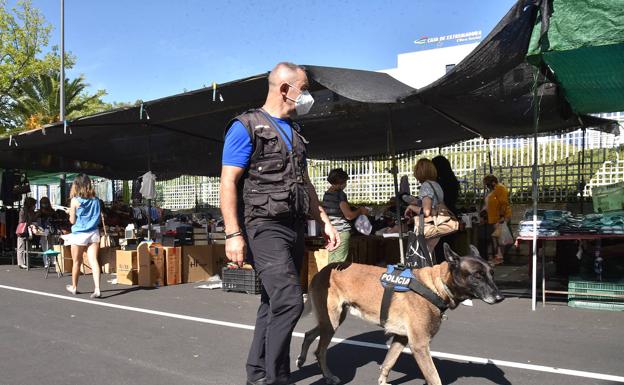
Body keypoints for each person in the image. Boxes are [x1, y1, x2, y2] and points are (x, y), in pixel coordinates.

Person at [220, 62, 339, 385]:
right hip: (263, 225)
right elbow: (228, 182)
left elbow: (305, 183)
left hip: (294, 226)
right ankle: (277, 378)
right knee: (289, 300)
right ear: (286, 89)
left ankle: (257, 374)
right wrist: (233, 234)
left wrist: (324, 220)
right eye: (304, 88)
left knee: (272, 302)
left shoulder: (295, 133)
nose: (308, 96)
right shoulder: (245, 126)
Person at [64, 174, 102, 299]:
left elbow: (72, 221)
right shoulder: (96, 200)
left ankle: (74, 287)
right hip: (93, 233)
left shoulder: (75, 200)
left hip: (79, 234)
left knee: (77, 262)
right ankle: (97, 289)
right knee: (94, 261)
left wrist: (70, 212)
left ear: (77, 185)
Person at [322, 168, 369, 263]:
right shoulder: (340, 195)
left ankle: (329, 277)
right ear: (341, 182)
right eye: (345, 181)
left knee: (332, 261)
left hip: (331, 231)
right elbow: (349, 215)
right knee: (339, 263)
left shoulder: (327, 194)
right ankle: (334, 278)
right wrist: (360, 210)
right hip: (341, 232)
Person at [404, 158, 446, 256]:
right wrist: (418, 202)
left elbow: (427, 211)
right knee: (430, 255)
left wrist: (411, 207)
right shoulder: (436, 185)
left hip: (429, 226)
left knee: (421, 258)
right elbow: (434, 204)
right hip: (438, 225)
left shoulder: (426, 186)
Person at [432, 155, 460, 263]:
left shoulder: (438, 183)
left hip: (441, 216)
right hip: (452, 214)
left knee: (440, 248)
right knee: (450, 246)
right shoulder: (453, 181)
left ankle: (443, 270)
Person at [483, 174, 512, 265]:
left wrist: (501, 216)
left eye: (487, 184)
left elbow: (503, 203)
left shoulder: (500, 188)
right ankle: (498, 256)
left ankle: (500, 257)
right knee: (497, 238)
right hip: (493, 218)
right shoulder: (493, 190)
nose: (486, 187)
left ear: (493, 182)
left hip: (499, 218)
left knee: (500, 238)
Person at [16, 197, 37, 269]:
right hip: (23, 229)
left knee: (26, 246)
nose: (35, 206)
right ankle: (21, 263)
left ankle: (26, 262)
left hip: (27, 229)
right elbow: (22, 221)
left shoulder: (30, 211)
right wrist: (30, 223)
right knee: (22, 246)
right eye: (34, 204)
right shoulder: (24, 210)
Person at [37, 196, 56, 266]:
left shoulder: (52, 211)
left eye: (45, 203)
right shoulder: (39, 211)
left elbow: (55, 218)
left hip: (51, 229)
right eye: (42, 203)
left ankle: (53, 260)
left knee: (52, 245)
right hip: (43, 229)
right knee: (45, 245)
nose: (44, 204)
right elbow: (36, 218)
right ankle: (47, 262)